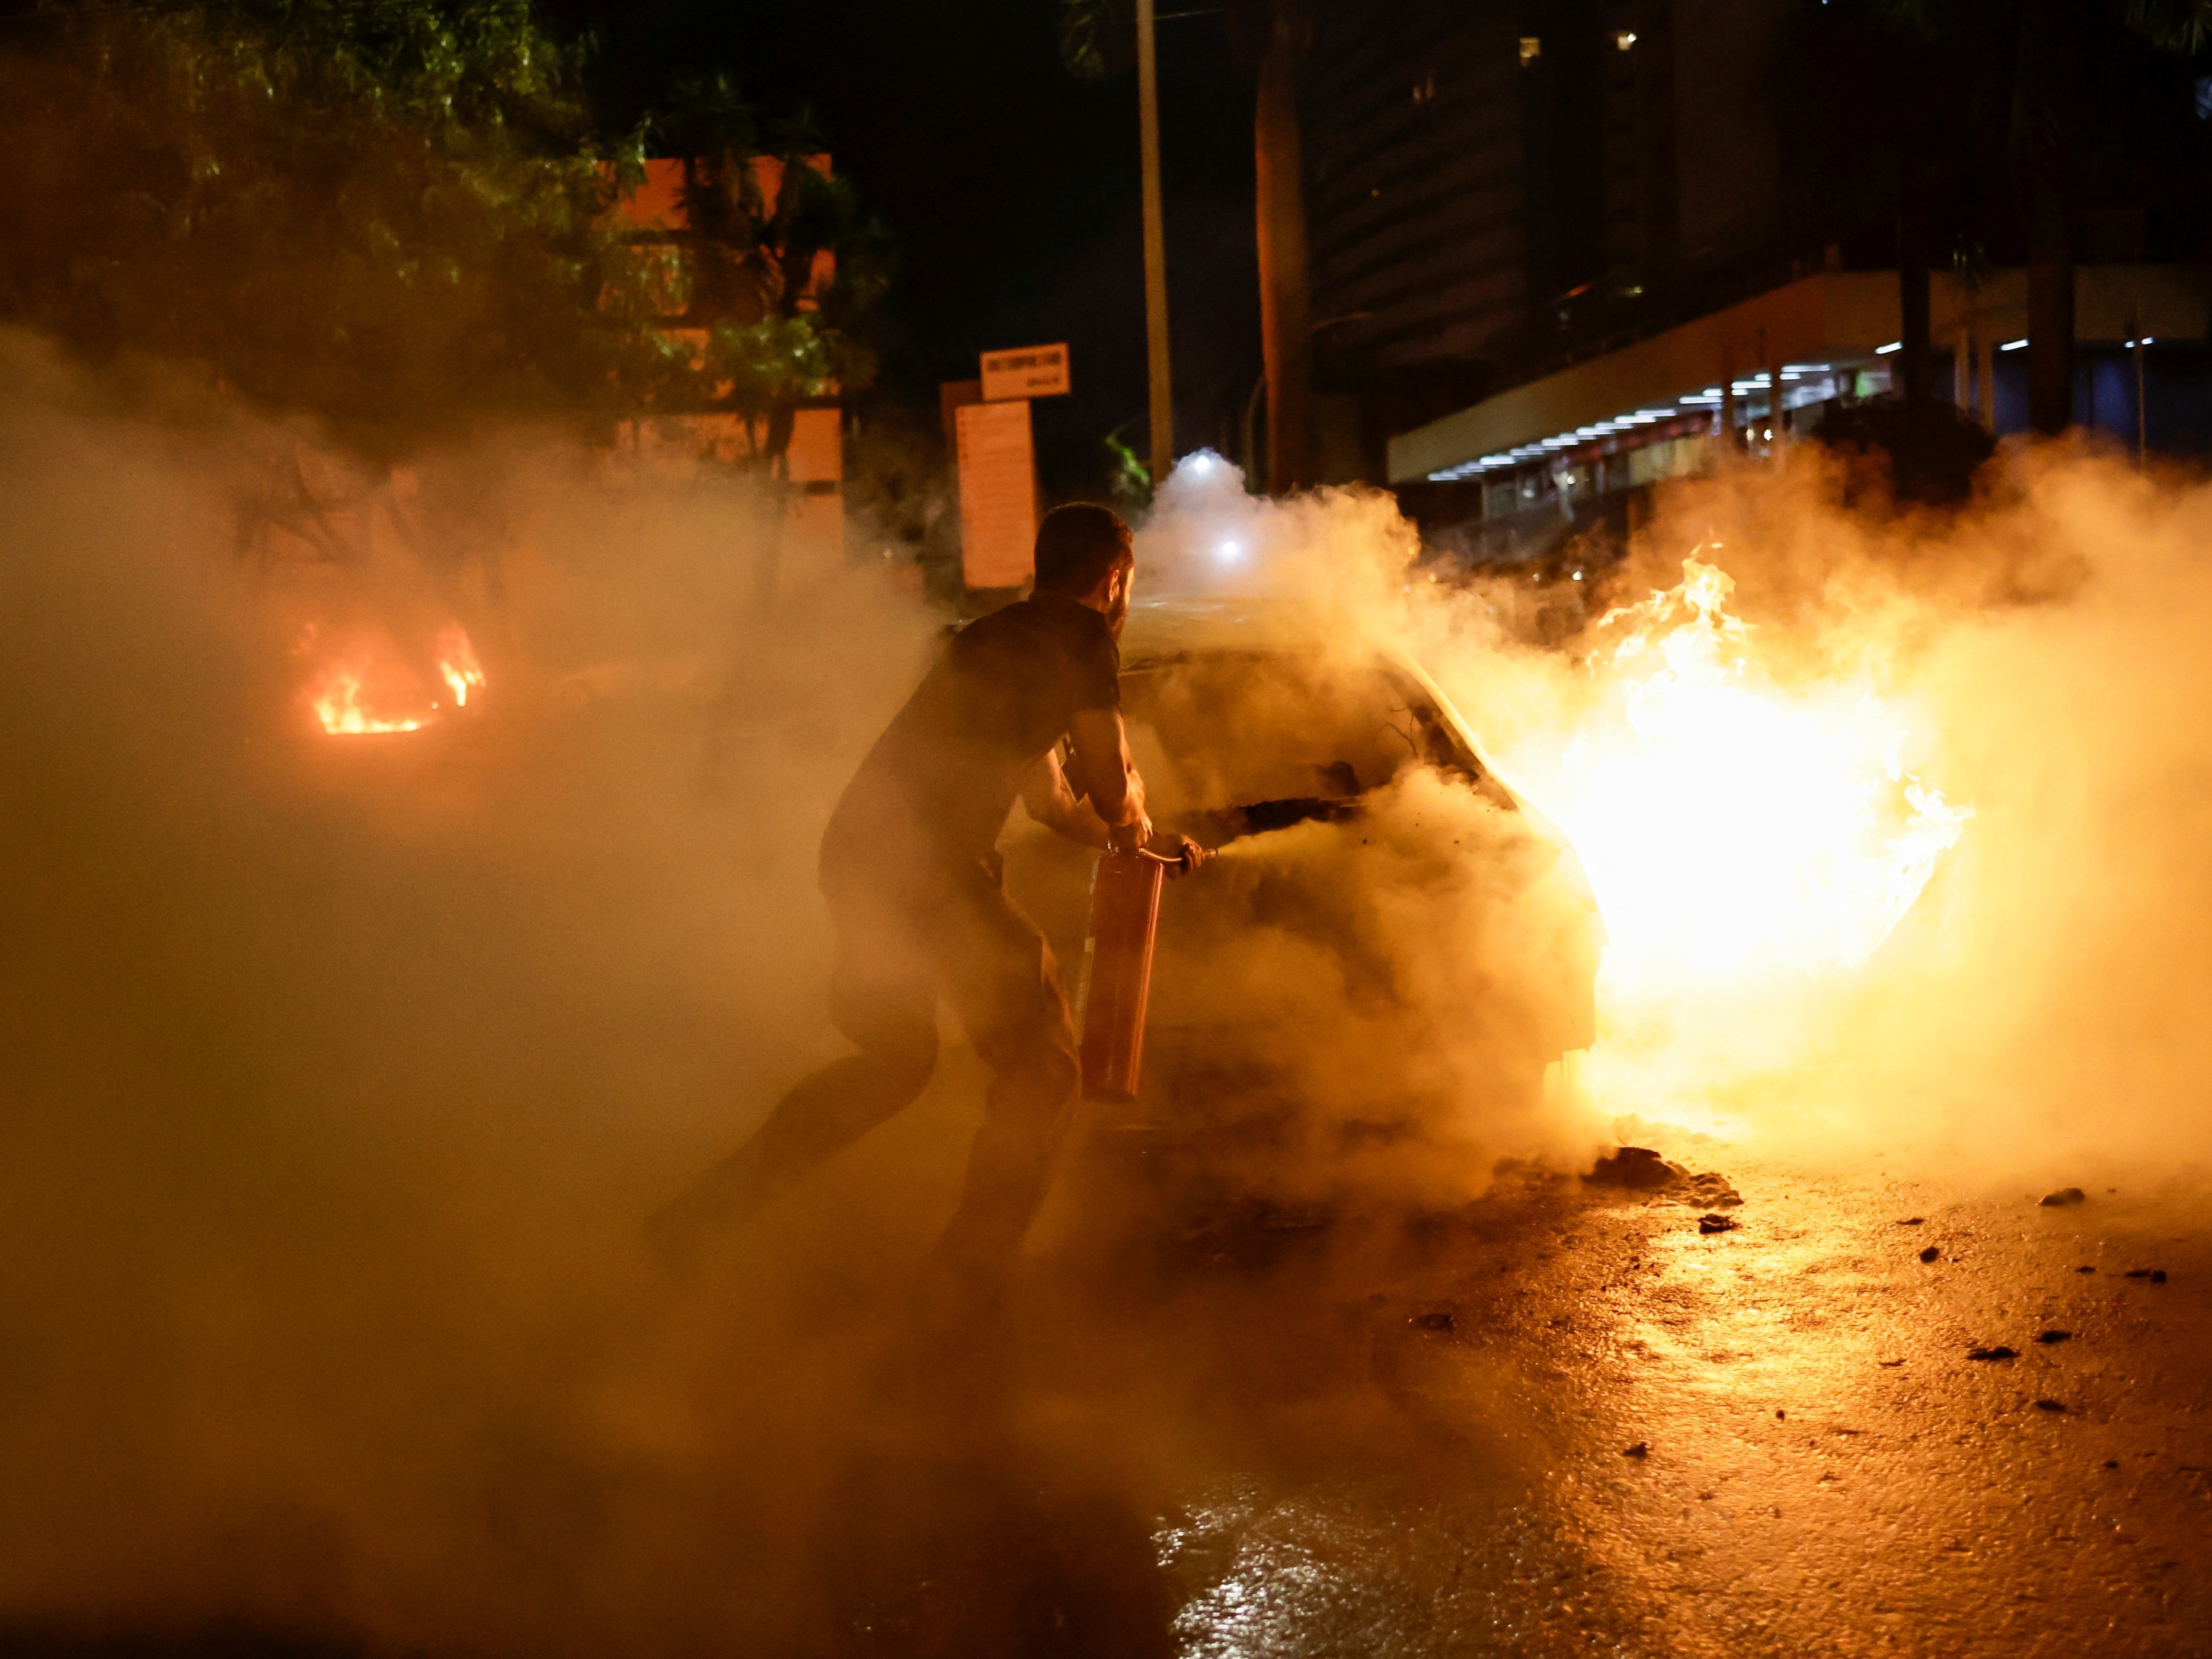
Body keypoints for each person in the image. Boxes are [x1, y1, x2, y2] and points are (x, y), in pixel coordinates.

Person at [651, 502, 1205, 1305]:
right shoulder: (1082, 637)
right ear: (1114, 581)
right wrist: (1135, 816)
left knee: (897, 1063)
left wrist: (1137, 841)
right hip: (930, 868)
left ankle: (701, 1219)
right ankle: (964, 1292)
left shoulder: (995, 639)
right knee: (1046, 1068)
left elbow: (1053, 802)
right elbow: (1114, 786)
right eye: (1128, 586)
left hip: (862, 856)